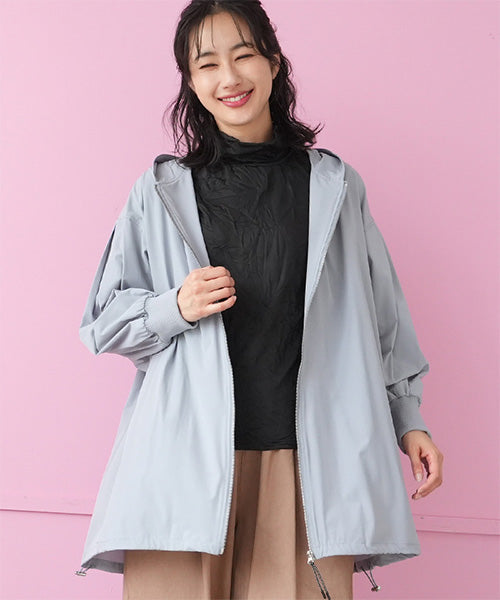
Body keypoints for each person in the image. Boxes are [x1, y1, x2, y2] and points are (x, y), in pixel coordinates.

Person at [74, 0, 444, 598]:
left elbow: (382, 317)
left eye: (244, 55)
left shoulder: (335, 186)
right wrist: (175, 307)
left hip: (306, 469)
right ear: (191, 82)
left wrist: (409, 419)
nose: (229, 77)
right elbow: (102, 321)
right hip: (182, 465)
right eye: (207, 64)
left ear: (274, 63)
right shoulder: (160, 191)